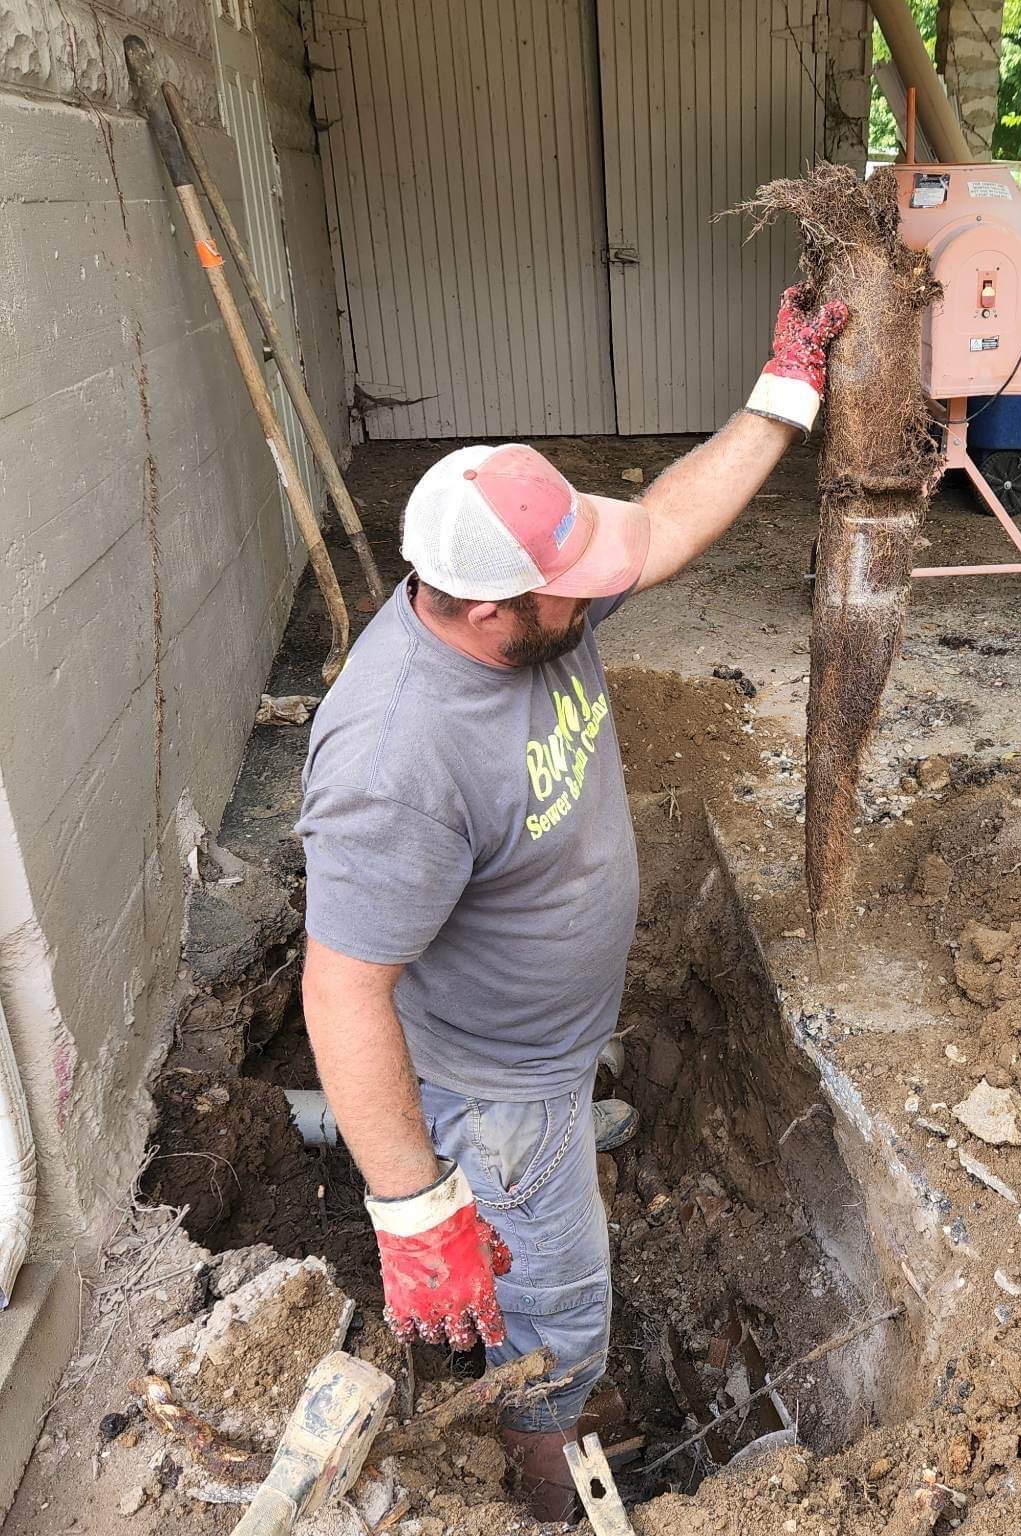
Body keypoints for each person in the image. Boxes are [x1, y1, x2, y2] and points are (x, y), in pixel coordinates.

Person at [296, 286, 847, 1521]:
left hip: (548, 1055)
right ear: (488, 607)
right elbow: (340, 986)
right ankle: (551, 1483)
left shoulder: (523, 608)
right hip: (498, 1096)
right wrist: (416, 1211)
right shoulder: (398, 756)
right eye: (573, 590)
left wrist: (787, 388)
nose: (601, 592)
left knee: (553, 1251)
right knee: (557, 1316)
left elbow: (656, 527)